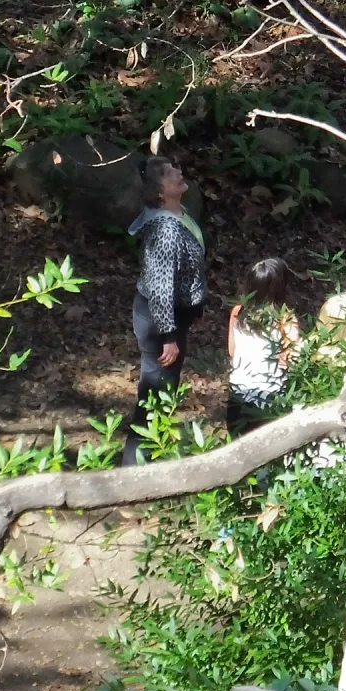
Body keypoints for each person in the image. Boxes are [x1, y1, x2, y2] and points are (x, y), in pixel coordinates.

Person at [123, 156, 207, 465]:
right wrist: (168, 335)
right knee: (154, 396)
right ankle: (133, 471)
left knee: (161, 392)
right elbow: (160, 287)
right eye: (171, 174)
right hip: (160, 323)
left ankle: (148, 462)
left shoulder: (178, 214)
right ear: (160, 192)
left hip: (171, 318)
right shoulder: (164, 231)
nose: (180, 173)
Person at [227, 257, 301, 434]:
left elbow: (232, 351)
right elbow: (292, 361)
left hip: (239, 392)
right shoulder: (286, 320)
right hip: (271, 397)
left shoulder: (238, 312)